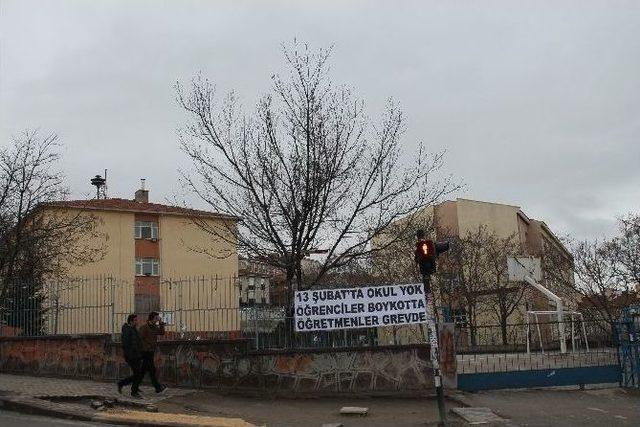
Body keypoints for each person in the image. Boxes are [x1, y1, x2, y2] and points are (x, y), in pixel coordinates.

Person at [138, 311, 167, 394]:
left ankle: (135, 385)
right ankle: (157, 387)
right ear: (152, 318)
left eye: (158, 318)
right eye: (156, 318)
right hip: (145, 351)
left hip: (151, 351)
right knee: (152, 369)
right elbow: (139, 339)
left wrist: (161, 323)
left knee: (143, 370)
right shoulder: (144, 327)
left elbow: (162, 333)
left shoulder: (154, 327)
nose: (157, 320)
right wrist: (145, 346)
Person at [117, 314, 143, 398]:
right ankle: (134, 391)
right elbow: (125, 344)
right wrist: (129, 355)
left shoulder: (134, 329)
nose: (137, 321)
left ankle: (122, 383)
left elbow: (137, 342)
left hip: (137, 355)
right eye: (135, 320)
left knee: (138, 374)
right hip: (131, 356)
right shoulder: (127, 330)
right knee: (138, 373)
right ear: (131, 321)